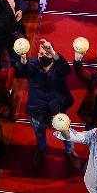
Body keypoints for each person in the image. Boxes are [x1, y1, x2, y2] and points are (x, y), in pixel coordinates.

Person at [17, 38, 76, 169]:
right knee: (39, 133)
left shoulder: (58, 65)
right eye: (41, 54)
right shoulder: (33, 64)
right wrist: (22, 57)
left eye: (47, 53)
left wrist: (53, 53)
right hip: (38, 109)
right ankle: (41, 150)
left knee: (66, 133)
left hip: (58, 109)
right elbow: (25, 69)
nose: (44, 56)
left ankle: (70, 152)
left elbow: (67, 70)